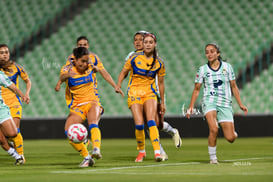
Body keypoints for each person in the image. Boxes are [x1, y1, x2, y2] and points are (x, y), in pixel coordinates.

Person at [60, 47, 123, 167]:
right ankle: (87, 157)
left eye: (87, 60)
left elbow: (104, 72)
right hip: (77, 106)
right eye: (82, 61)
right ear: (75, 59)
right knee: (68, 132)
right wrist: (67, 75)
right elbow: (62, 78)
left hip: (92, 102)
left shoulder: (90, 67)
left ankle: (96, 149)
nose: (86, 63)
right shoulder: (67, 69)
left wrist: (115, 85)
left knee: (93, 123)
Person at [186, 43, 248, 164]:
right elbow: (197, 89)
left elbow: (234, 86)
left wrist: (240, 104)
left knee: (230, 138)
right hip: (209, 101)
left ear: (218, 53)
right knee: (214, 128)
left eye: (212, 51)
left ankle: (233, 133)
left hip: (225, 103)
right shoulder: (202, 69)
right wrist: (191, 107)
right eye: (207, 52)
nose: (209, 54)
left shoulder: (227, 67)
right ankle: (213, 159)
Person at [125, 31, 182, 160]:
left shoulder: (153, 56)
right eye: (136, 40)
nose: (139, 42)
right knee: (147, 123)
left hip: (154, 92)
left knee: (157, 123)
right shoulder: (132, 56)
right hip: (139, 93)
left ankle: (173, 131)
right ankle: (160, 152)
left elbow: (159, 78)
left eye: (142, 39)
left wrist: (162, 100)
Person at [116, 33, 165, 162]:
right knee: (139, 124)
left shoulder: (159, 62)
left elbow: (160, 83)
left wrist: (163, 102)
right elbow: (123, 72)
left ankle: (157, 152)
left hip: (150, 93)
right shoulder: (134, 57)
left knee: (151, 120)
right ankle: (141, 152)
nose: (148, 44)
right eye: (146, 42)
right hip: (134, 92)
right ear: (142, 45)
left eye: (150, 42)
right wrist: (118, 85)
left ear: (154, 45)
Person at [0, 44, 31, 163]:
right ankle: (14, 151)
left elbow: (28, 81)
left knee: (14, 131)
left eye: (6, 52)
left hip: (14, 103)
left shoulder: (16, 67)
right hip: (2, 104)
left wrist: (26, 94)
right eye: (1, 52)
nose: (4, 54)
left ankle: (21, 156)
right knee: (5, 136)